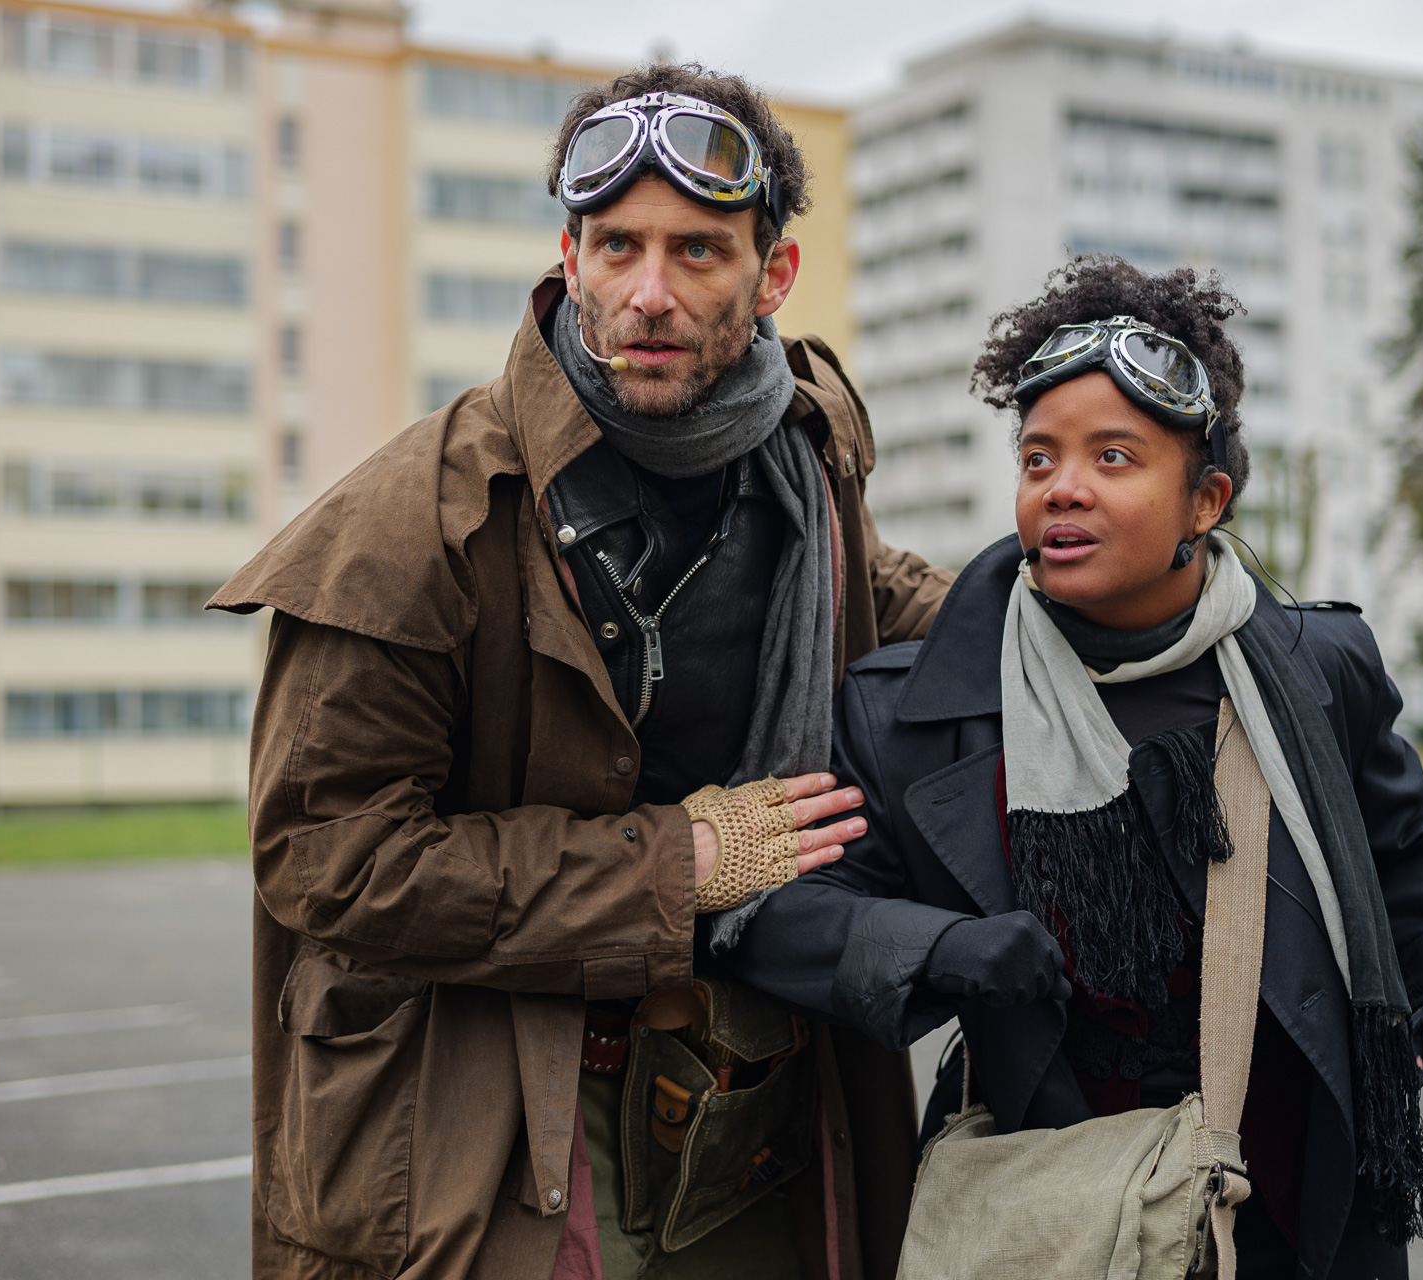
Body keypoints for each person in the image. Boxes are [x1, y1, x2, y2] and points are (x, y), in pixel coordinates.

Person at [208, 64, 952, 1280]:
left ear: (774, 276)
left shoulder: (807, 483)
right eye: (617, 247)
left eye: (699, 252)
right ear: (570, 248)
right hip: (500, 1123)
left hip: (765, 1088)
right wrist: (679, 864)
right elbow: (326, 855)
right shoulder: (412, 527)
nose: (648, 294)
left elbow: (926, 621)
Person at [722, 257, 1423, 1279]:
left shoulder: (1317, 668)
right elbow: (780, 910)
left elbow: (1412, 838)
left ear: (1205, 500)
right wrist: (939, 946)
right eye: (1039, 456)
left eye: (1114, 456)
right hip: (1057, 1205)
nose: (1064, 485)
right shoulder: (913, 710)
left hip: (1294, 1196)